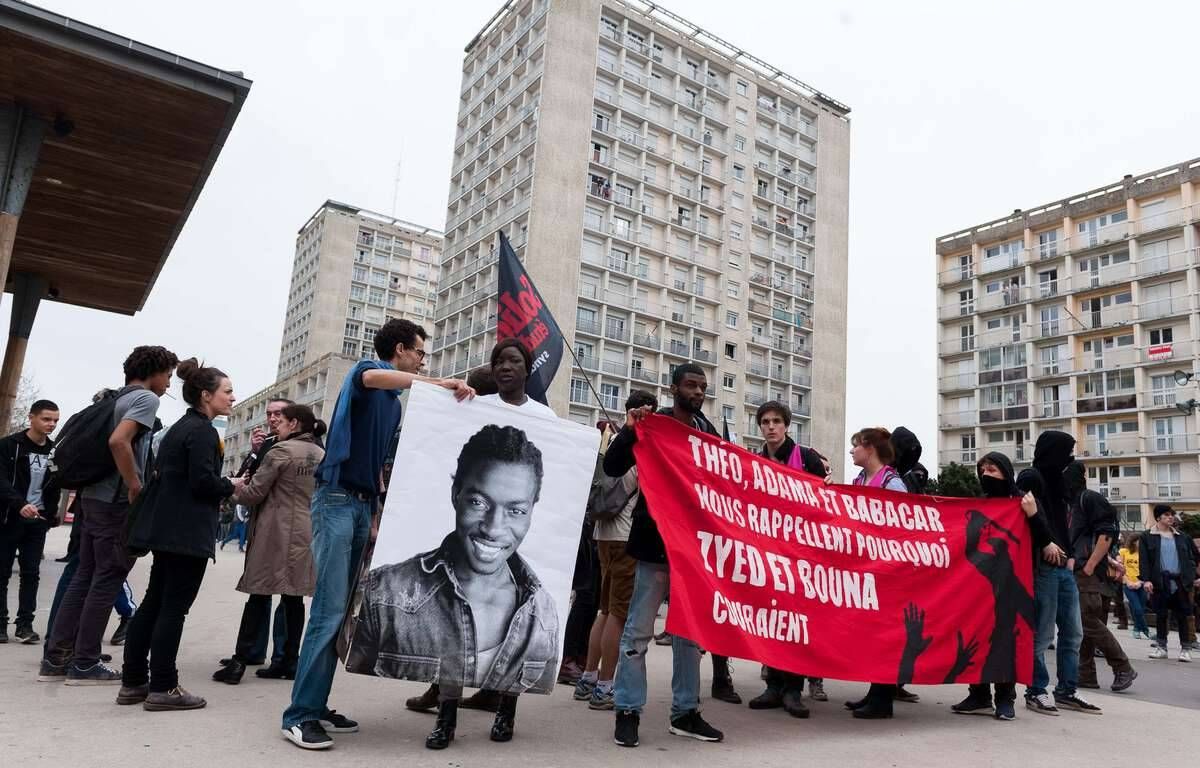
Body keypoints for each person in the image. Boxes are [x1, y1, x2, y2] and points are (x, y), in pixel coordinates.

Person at [281, 318, 474, 751]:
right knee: (328, 613)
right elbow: (373, 376)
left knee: (342, 613)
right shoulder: (366, 372)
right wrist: (436, 381)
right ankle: (299, 716)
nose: (423, 359)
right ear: (402, 349)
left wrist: (376, 513)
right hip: (334, 501)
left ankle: (316, 703)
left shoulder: (397, 406)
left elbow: (386, 464)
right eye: (420, 353)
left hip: (361, 504)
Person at [348, 421, 558, 750]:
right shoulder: (387, 591)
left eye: (516, 510)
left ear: (532, 511)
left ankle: (506, 713)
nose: (493, 528)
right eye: (478, 502)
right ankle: (446, 718)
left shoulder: (543, 609)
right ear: (455, 495)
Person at [39, 345, 177, 685]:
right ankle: (85, 662)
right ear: (155, 372)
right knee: (108, 577)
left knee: (84, 575)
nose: (169, 385)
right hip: (114, 503)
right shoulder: (145, 400)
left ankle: (56, 659)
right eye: (168, 376)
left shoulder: (113, 398)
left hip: (90, 499)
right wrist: (134, 485)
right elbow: (119, 442)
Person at [607, 363, 724, 748]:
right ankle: (627, 710)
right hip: (655, 544)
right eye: (691, 385)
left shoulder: (708, 432)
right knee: (638, 632)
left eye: (703, 386)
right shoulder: (651, 424)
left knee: (689, 635)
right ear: (674, 388)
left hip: (693, 550)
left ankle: (686, 712)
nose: (698, 391)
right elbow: (612, 465)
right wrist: (629, 429)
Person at [116, 359, 236, 710]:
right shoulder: (202, 432)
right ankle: (163, 686)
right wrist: (231, 485)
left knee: (154, 603)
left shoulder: (181, 428)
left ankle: (133, 681)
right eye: (226, 391)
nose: (232, 397)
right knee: (173, 610)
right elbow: (202, 482)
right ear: (206, 395)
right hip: (186, 532)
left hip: (167, 528)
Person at [212, 404, 325, 685]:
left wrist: (233, 490)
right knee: (293, 598)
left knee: (259, 593)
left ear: (294, 423)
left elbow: (254, 494)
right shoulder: (321, 454)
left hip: (275, 530)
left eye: (282, 420)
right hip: (305, 532)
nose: (277, 425)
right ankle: (289, 661)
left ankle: (239, 662)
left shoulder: (280, 452)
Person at [951, 452, 1060, 721]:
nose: (986, 475)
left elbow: (1043, 538)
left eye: (992, 470)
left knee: (1005, 640)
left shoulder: (1022, 501)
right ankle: (978, 695)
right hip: (979, 586)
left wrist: (1032, 515)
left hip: (1012, 584)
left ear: (1006, 473)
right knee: (977, 637)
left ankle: (1004, 698)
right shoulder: (981, 505)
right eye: (983, 470)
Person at [747, 400, 828, 717]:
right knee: (771, 621)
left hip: (802, 555)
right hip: (768, 552)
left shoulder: (807, 458)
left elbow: (826, 501)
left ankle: (793, 689)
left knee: (796, 623)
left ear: (787, 425)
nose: (770, 426)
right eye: (765, 421)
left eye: (776, 421)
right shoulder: (753, 460)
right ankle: (773, 686)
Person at [575, 392, 655, 711]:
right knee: (619, 614)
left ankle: (588, 677)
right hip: (625, 538)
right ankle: (606, 686)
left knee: (604, 610)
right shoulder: (638, 446)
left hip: (603, 534)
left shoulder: (614, 439)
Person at [1016, 431, 1098, 715]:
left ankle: (1067, 690)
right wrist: (1045, 543)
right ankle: (1036, 690)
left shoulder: (1061, 484)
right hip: (1043, 567)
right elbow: (1024, 513)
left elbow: (1065, 525)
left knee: (1073, 632)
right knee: (1042, 633)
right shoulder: (1030, 477)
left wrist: (1072, 555)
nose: (1070, 459)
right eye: (1066, 452)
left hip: (1064, 567)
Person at [843, 426, 908, 720]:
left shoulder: (892, 484)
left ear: (869, 448)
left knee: (884, 635)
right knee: (870, 634)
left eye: (856, 446)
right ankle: (874, 692)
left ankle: (883, 698)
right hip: (864, 568)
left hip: (886, 571)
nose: (852, 451)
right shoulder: (860, 479)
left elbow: (902, 526)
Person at [1063, 462, 1136, 691]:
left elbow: (1108, 532)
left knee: (1087, 620)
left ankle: (1123, 666)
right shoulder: (1072, 504)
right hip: (1079, 570)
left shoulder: (1089, 499)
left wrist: (1091, 565)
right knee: (1081, 624)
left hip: (1088, 572)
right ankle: (1085, 675)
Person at [0, 400, 62, 644]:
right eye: (46, 419)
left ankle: (25, 625)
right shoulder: (10, 446)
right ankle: (0, 625)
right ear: (31, 417)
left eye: (55, 420)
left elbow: (55, 481)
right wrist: (19, 504)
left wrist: (50, 513)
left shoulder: (54, 451)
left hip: (37, 521)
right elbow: (2, 481)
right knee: (2, 572)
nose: (51, 424)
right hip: (9, 517)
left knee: (31, 573)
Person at [1142, 505, 1198, 662]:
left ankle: (1185, 649)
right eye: (1167, 515)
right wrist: (1146, 580)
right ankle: (1161, 647)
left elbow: (1194, 557)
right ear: (1158, 517)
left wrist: (1194, 576)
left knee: (1183, 616)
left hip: (1180, 581)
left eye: (1172, 514)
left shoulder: (1182, 537)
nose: (1171, 517)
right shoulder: (1147, 536)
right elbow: (1144, 560)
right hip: (1160, 581)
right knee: (1161, 615)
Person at [1120, 533, 1150, 639]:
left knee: (1140, 609)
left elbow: (1148, 571)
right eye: (1139, 541)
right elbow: (1120, 569)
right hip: (1128, 585)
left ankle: (1136, 629)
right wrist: (1128, 582)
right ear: (1134, 541)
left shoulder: (1145, 554)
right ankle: (1146, 630)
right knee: (1137, 608)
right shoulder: (1124, 552)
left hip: (1141, 585)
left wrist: (1140, 582)